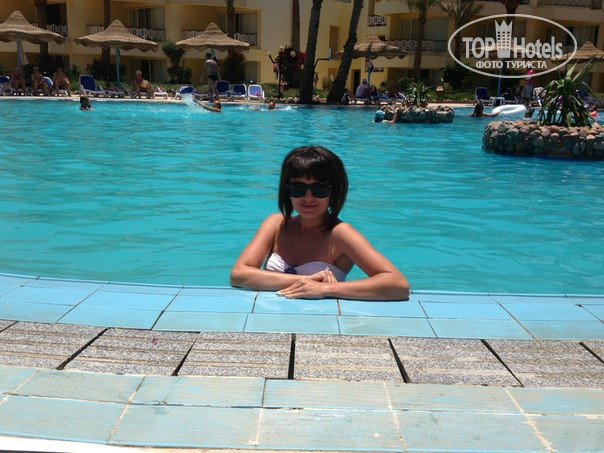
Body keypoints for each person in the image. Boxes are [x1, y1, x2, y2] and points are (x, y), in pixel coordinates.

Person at [230, 145, 410, 301]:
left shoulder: (340, 234)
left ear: (334, 191)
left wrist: (326, 289)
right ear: (287, 190)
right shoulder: (276, 225)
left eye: (320, 188)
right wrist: (307, 281)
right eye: (298, 188)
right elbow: (238, 275)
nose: (308, 197)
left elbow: (398, 285)